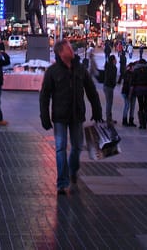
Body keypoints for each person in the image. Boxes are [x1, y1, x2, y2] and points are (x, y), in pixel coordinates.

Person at [39, 39, 102, 195]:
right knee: (60, 148)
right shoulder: (52, 71)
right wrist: (45, 116)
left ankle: (73, 171)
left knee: (77, 147)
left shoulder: (80, 69)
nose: (71, 50)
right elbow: (44, 95)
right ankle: (62, 182)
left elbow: (91, 90)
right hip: (60, 116)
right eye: (68, 48)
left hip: (77, 115)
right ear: (61, 53)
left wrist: (97, 110)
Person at [129, 50, 147, 129]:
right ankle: (145, 124)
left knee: (140, 106)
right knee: (146, 106)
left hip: (139, 89)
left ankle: (141, 123)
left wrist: (132, 89)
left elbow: (133, 81)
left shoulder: (136, 70)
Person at [102, 54, 118, 124]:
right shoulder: (113, 68)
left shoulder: (107, 66)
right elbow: (111, 77)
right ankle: (108, 119)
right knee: (109, 103)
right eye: (115, 59)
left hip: (106, 86)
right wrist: (113, 84)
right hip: (109, 87)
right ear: (113, 60)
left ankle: (109, 118)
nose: (116, 61)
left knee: (109, 103)